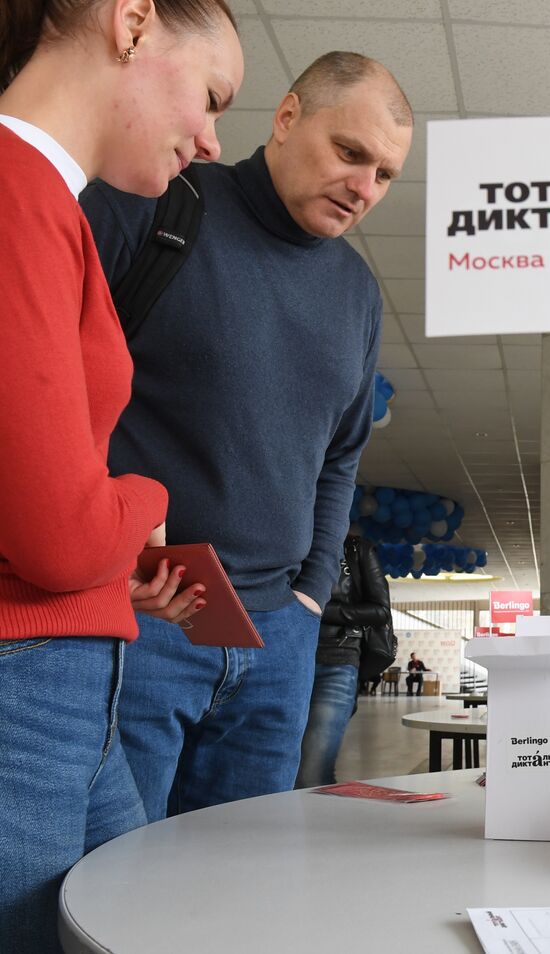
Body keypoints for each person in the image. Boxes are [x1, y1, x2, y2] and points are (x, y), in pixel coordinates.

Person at [80, 50, 413, 821]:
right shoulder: (155, 203)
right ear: (288, 117)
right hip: (142, 618)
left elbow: (341, 459)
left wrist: (307, 596)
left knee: (234, 886)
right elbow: (46, 382)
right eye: (350, 152)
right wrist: (101, 551)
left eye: (385, 175)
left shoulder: (358, 294)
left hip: (280, 641)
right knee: (113, 889)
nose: (365, 188)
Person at [0, 0, 241, 948]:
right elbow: (60, 538)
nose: (215, 141)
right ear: (132, 22)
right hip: (27, 686)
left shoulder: (44, 201)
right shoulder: (19, 193)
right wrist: (145, 499)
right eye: (214, 97)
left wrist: (112, 573)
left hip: (63, 673)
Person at [296, 534, 392, 787]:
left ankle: (318, 824)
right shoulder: (285, 538)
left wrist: (316, 609)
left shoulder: (355, 549)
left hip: (336, 660)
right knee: (281, 770)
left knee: (311, 772)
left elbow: (380, 611)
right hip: (287, 660)